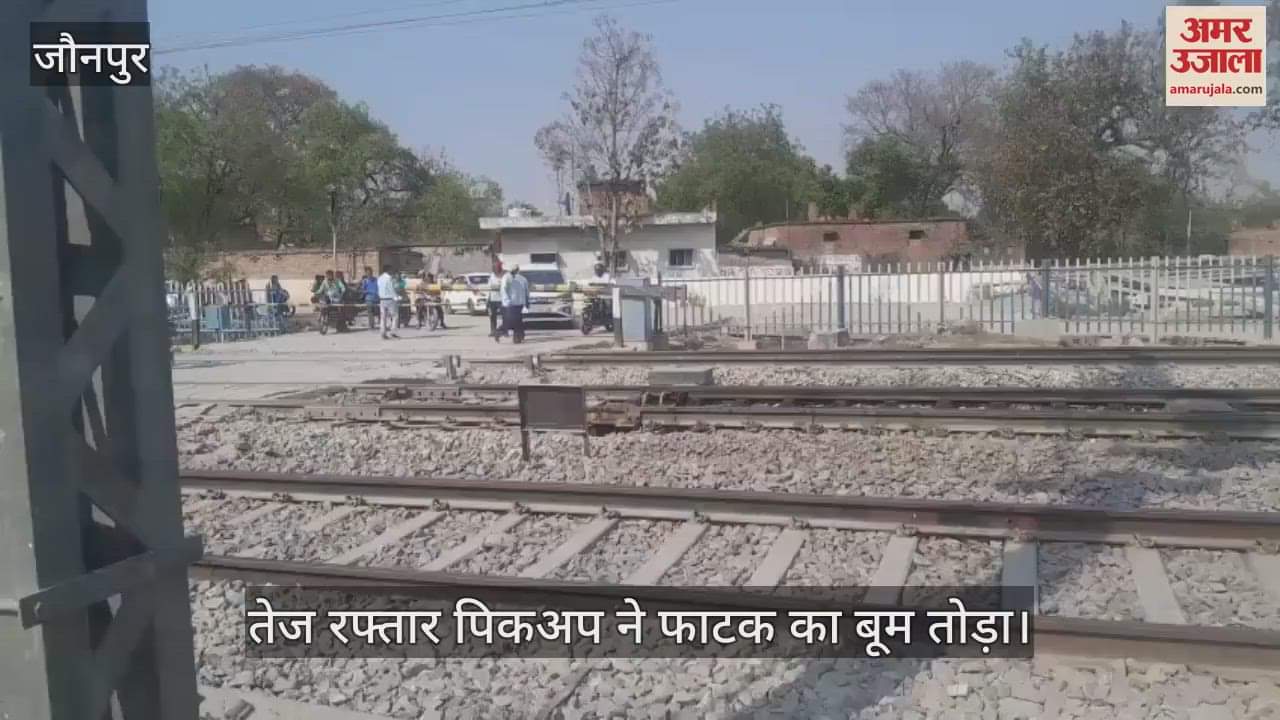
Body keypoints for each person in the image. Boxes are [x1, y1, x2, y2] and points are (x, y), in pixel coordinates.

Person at [499, 264, 529, 344]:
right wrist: (506, 301)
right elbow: (503, 290)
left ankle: (518, 337)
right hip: (511, 304)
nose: (515, 271)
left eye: (516, 270)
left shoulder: (522, 279)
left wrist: (526, 301)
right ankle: (501, 333)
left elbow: (526, 291)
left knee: (518, 321)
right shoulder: (506, 278)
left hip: (519, 303)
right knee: (513, 321)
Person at [377, 265, 398, 339]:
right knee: (395, 316)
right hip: (390, 299)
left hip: (382, 299)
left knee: (383, 317)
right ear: (388, 270)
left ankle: (383, 333)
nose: (392, 271)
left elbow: (379, 288)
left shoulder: (379, 278)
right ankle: (392, 332)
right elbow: (391, 289)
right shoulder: (389, 278)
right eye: (391, 270)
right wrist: (396, 298)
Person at [487, 261, 504, 339]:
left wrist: (499, 286)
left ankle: (503, 330)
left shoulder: (504, 275)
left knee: (505, 316)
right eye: (495, 268)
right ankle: (493, 331)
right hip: (492, 299)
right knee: (492, 316)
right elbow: (489, 286)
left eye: (497, 267)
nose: (496, 269)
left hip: (501, 299)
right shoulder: (492, 276)